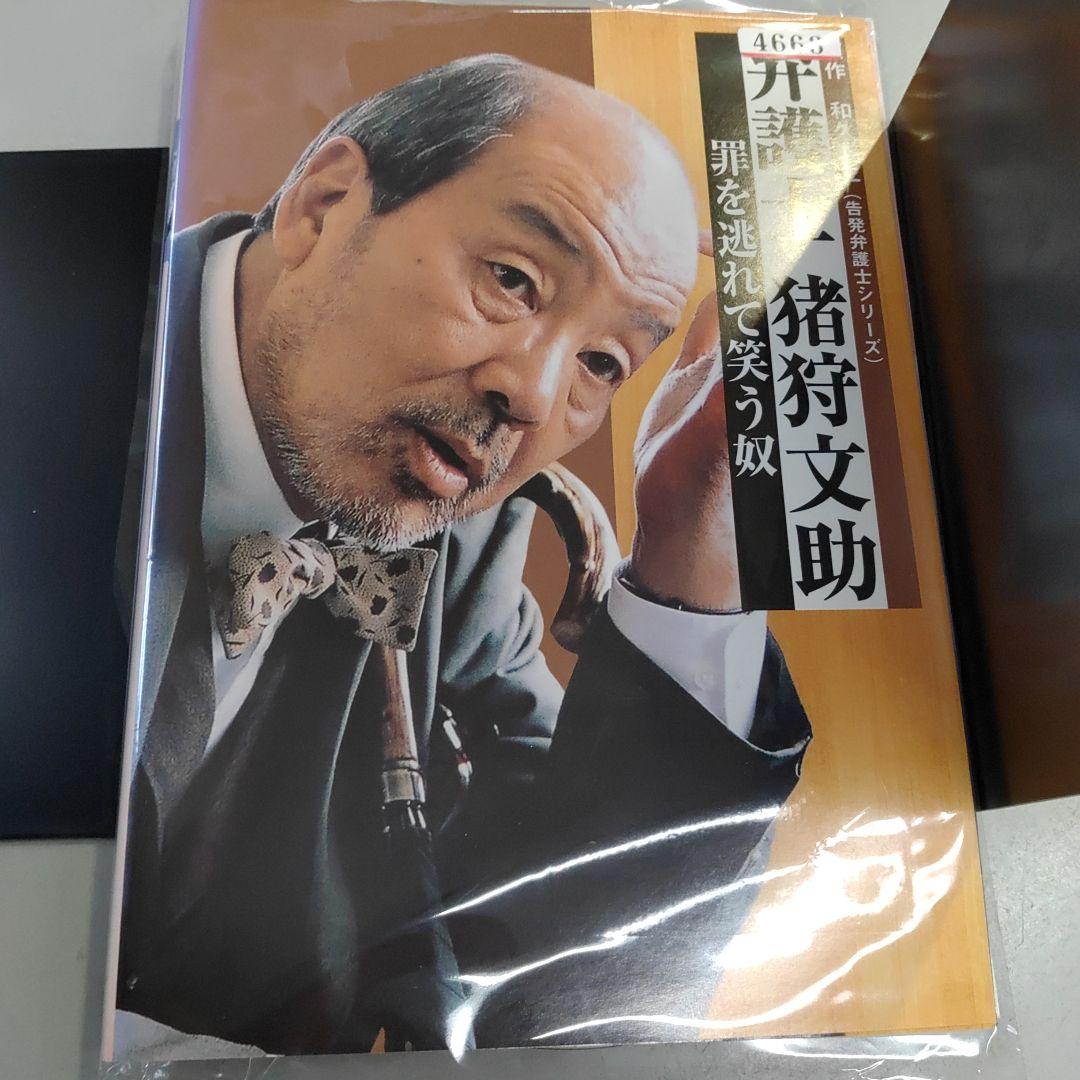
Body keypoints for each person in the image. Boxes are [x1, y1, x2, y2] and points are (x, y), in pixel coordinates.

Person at [115, 53, 811, 1056]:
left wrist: (691, 553)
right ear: (323, 206)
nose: (532, 394)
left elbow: (572, 966)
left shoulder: (465, 538)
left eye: (601, 363)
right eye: (513, 281)